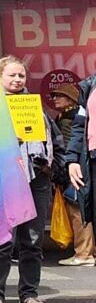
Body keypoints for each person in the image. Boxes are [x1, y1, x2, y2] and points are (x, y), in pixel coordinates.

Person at [0, 56, 59, 303]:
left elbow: (54, 139)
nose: (17, 80)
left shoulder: (34, 107)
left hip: (36, 178)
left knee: (33, 240)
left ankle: (29, 294)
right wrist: (5, 138)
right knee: (3, 241)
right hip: (5, 177)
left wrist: (50, 166)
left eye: (21, 76)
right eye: (12, 76)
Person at [53, 84, 94, 266]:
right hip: (84, 163)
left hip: (76, 169)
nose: (54, 99)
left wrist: (64, 169)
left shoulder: (67, 119)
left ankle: (84, 253)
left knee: (78, 209)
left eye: (59, 96)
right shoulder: (68, 114)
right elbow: (76, 135)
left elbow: (68, 142)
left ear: (70, 99)